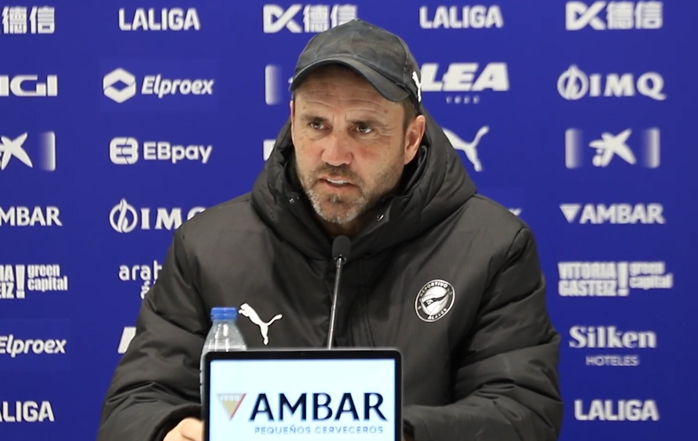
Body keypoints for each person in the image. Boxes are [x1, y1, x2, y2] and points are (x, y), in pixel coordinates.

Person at [96, 19, 563, 441]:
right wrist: (167, 431)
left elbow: (522, 412)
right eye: (316, 124)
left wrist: (391, 434)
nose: (335, 154)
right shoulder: (207, 246)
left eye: (363, 129)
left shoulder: (492, 247)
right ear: (292, 122)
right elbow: (134, 403)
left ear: (411, 139)